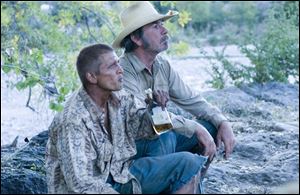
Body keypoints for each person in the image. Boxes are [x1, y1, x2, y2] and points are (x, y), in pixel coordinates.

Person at [45, 43, 212, 194]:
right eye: (112, 66)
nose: (120, 69)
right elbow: (81, 184)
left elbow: (149, 131)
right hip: (99, 187)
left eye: (118, 63)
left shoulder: (119, 98)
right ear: (92, 77)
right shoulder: (74, 120)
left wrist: (157, 108)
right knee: (183, 166)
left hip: (120, 172)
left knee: (188, 163)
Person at [112, 1, 235, 161]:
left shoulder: (162, 65)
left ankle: (192, 183)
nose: (165, 30)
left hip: (158, 139)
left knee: (210, 126)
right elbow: (144, 119)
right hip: (131, 151)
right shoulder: (123, 72)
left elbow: (193, 101)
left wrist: (223, 122)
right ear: (136, 38)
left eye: (161, 24)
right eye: (155, 26)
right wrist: (194, 127)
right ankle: (159, 183)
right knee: (165, 135)